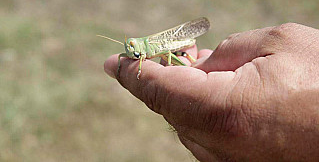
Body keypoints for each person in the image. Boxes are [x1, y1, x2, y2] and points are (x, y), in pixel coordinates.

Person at [104, 23, 319, 161]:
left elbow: (152, 54)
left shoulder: (145, 47)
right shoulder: (131, 52)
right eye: (129, 48)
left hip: (170, 44)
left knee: (170, 57)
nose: (131, 50)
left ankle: (188, 61)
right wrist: (125, 64)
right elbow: (127, 56)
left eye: (132, 46)